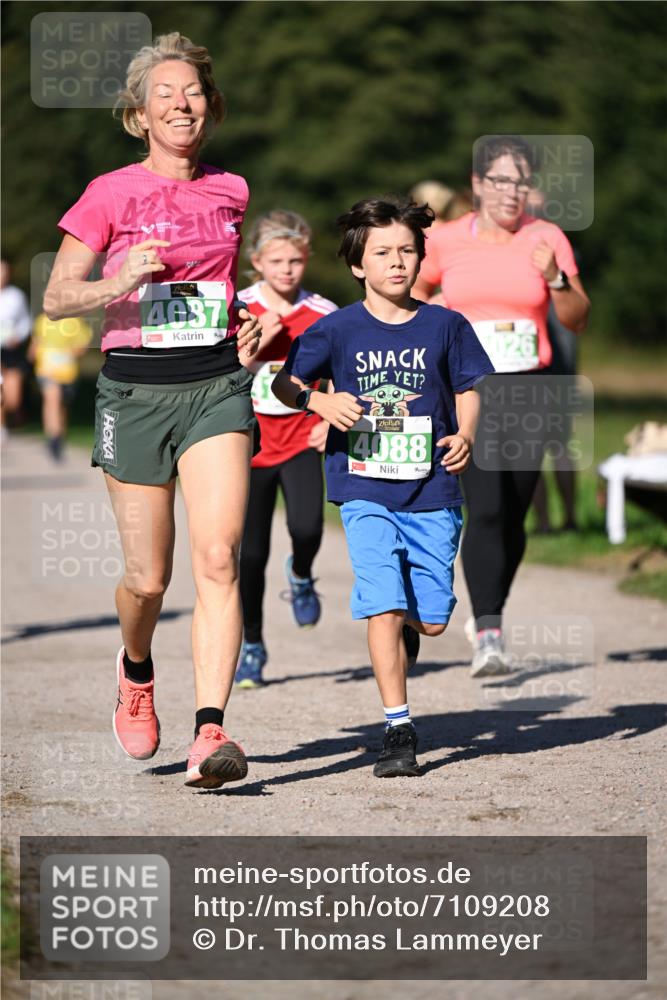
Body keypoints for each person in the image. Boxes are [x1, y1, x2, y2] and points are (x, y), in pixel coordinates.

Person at [43, 33, 262, 789]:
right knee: (148, 578)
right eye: (164, 95)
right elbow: (57, 296)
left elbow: (221, 294)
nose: (181, 104)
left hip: (216, 386)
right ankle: (135, 669)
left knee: (219, 557)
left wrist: (249, 329)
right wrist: (118, 279)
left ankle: (211, 733)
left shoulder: (231, 190)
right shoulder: (108, 193)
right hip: (134, 392)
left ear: (212, 108)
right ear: (139, 115)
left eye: (193, 93)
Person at [272, 196, 493, 778]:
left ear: (422, 258)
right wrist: (319, 399)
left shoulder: (447, 325)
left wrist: (466, 433)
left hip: (433, 488)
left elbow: (470, 384)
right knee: (382, 601)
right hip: (364, 487)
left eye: (407, 251)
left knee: (435, 618)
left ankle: (408, 634)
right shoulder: (336, 329)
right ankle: (398, 727)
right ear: (356, 264)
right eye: (382, 253)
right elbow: (282, 384)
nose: (397, 262)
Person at [414, 135, 590, 676]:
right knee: (486, 506)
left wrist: (556, 279)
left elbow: (578, 316)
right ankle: (489, 630)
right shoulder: (445, 240)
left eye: (519, 181)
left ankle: (490, 606)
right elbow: (410, 298)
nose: (510, 192)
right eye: (500, 181)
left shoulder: (547, 237)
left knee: (516, 513)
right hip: (472, 388)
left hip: (531, 387)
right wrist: (437, 307)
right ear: (478, 185)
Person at [234, 210, 337, 688]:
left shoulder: (324, 312)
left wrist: (328, 418)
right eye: (276, 260)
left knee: (307, 526)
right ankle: (252, 645)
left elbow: (343, 371)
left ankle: (300, 572)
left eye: (296, 260)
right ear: (257, 261)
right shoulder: (240, 305)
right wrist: (263, 338)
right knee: (249, 555)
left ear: (306, 259)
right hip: (248, 441)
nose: (287, 270)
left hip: (300, 436)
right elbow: (224, 369)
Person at [30, 311, 93, 461]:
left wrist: (67, 353)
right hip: (46, 369)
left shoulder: (76, 322)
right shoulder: (42, 320)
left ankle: (58, 437)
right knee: (52, 399)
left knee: (62, 406)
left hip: (67, 372)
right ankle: (53, 438)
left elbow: (82, 347)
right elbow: (37, 341)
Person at [0, 258, 32, 437]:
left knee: (13, 399)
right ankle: (1, 427)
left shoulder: (16, 296)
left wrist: (18, 337)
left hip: (11, 349)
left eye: (4, 272)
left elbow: (26, 322)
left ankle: (9, 418)